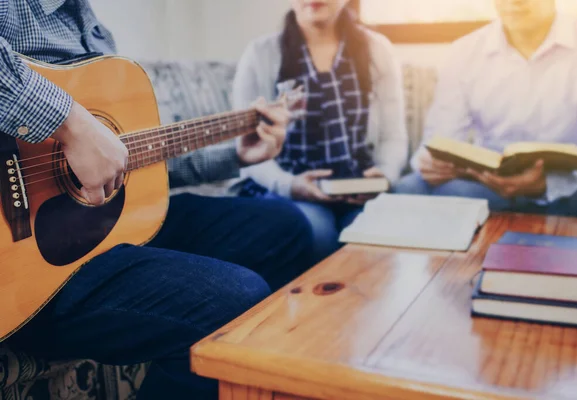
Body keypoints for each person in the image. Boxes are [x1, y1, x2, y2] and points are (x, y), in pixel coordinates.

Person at [1, 1, 315, 399]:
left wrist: (235, 154)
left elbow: (124, 166)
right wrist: (69, 122)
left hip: (100, 233)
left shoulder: (88, 24)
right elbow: (77, 133)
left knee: (285, 229)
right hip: (28, 273)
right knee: (237, 298)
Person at [232, 0, 408, 262]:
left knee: (374, 236)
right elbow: (246, 150)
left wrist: (385, 176)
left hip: (358, 189)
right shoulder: (261, 53)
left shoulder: (377, 49)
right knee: (315, 232)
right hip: (289, 189)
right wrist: (290, 185)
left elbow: (393, 136)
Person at [394, 0, 577, 218]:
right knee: (408, 190)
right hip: (488, 185)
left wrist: (547, 184)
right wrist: (429, 163)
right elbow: (441, 138)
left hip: (569, 186)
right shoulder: (465, 51)